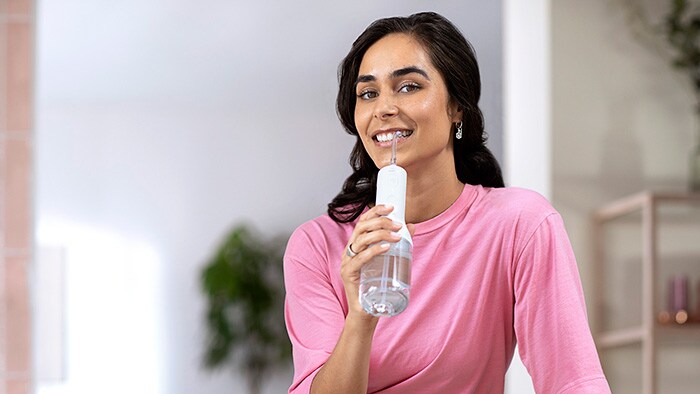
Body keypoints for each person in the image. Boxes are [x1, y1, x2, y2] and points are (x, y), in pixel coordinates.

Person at [283, 11, 610, 393]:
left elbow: (572, 380)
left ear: (457, 106)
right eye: (368, 93)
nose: (384, 108)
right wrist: (360, 315)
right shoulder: (317, 246)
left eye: (408, 86)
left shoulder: (520, 225)